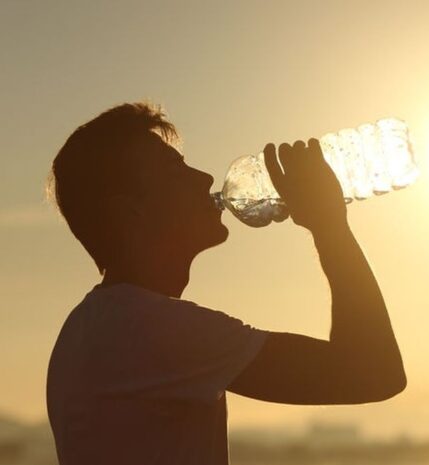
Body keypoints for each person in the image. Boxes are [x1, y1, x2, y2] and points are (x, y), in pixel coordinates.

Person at [46, 102, 406, 465]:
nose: (204, 178)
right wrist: (329, 224)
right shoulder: (143, 328)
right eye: (176, 170)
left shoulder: (93, 326)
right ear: (130, 212)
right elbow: (373, 372)